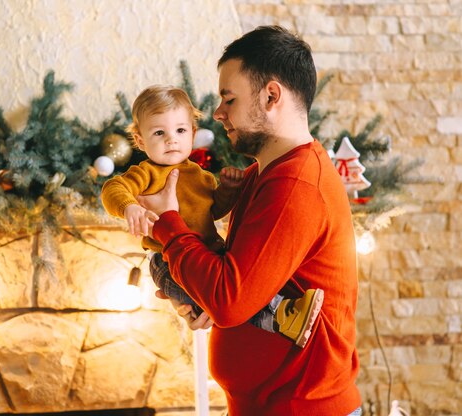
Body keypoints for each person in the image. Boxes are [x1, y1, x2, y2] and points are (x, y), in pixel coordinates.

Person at [136, 26, 362, 415]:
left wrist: (168, 223)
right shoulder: (267, 172)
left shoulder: (295, 185)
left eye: (229, 98)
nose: (218, 113)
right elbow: (243, 280)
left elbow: (230, 299)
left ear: (271, 95)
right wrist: (195, 295)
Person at [100, 85, 324, 348]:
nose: (171, 139)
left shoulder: (198, 174)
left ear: (193, 134)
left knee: (235, 294)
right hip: (166, 262)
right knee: (221, 298)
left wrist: (228, 191)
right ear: (140, 141)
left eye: (180, 131)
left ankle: (280, 318)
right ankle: (283, 315)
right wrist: (129, 206)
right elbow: (112, 188)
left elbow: (213, 209)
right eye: (159, 132)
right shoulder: (146, 172)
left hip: (204, 255)